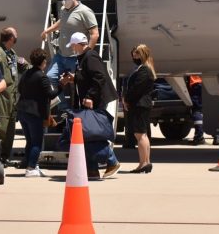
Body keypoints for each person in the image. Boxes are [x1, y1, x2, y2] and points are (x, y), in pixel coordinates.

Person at [61, 32, 120, 179]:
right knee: (88, 134)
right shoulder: (83, 58)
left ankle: (112, 161)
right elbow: (87, 77)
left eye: (73, 46)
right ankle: (92, 169)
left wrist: (89, 96)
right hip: (89, 100)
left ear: (77, 44)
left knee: (93, 133)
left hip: (95, 100)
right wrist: (73, 79)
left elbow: (99, 77)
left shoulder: (90, 56)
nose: (73, 49)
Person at [41, 0, 99, 108]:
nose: (64, 0)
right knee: (50, 78)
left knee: (78, 84)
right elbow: (61, 22)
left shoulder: (85, 11)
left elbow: (95, 34)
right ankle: (63, 108)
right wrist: (48, 31)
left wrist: (86, 54)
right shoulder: (63, 9)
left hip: (76, 57)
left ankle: (78, 110)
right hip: (61, 55)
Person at [0, 27, 30, 163]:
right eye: (16, 35)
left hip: (11, 97)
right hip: (2, 97)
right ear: (11, 38)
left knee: (10, 128)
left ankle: (4, 157)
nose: (17, 37)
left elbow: (22, 65)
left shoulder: (10, 53)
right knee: (2, 128)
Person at [17, 48, 58, 177]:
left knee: (30, 140)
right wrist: (61, 85)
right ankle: (30, 168)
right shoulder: (42, 76)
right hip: (35, 113)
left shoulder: (26, 74)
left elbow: (19, 88)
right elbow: (51, 94)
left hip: (23, 111)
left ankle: (29, 164)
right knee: (36, 142)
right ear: (43, 62)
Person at [123, 45, 156, 174]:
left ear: (142, 55)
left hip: (139, 104)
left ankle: (143, 163)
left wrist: (127, 99)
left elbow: (136, 88)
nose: (133, 57)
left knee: (140, 134)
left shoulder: (144, 71)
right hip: (142, 104)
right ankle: (146, 162)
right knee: (143, 134)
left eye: (136, 54)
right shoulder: (145, 69)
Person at [187, 75, 205, 145]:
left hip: (196, 84)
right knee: (210, 109)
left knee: (197, 111)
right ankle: (216, 136)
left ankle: (199, 136)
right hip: (208, 82)